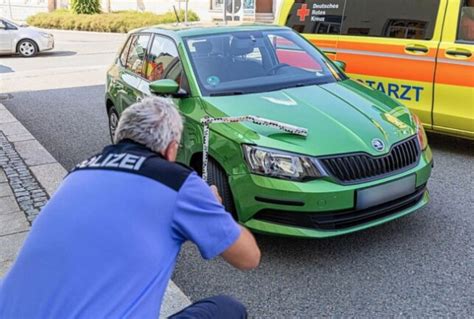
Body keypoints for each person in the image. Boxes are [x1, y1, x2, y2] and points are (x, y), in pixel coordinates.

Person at [0, 97, 261, 318]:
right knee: (227, 309)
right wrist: (213, 207)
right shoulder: (175, 181)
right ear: (171, 149)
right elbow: (248, 258)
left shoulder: (78, 172)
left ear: (120, 135)